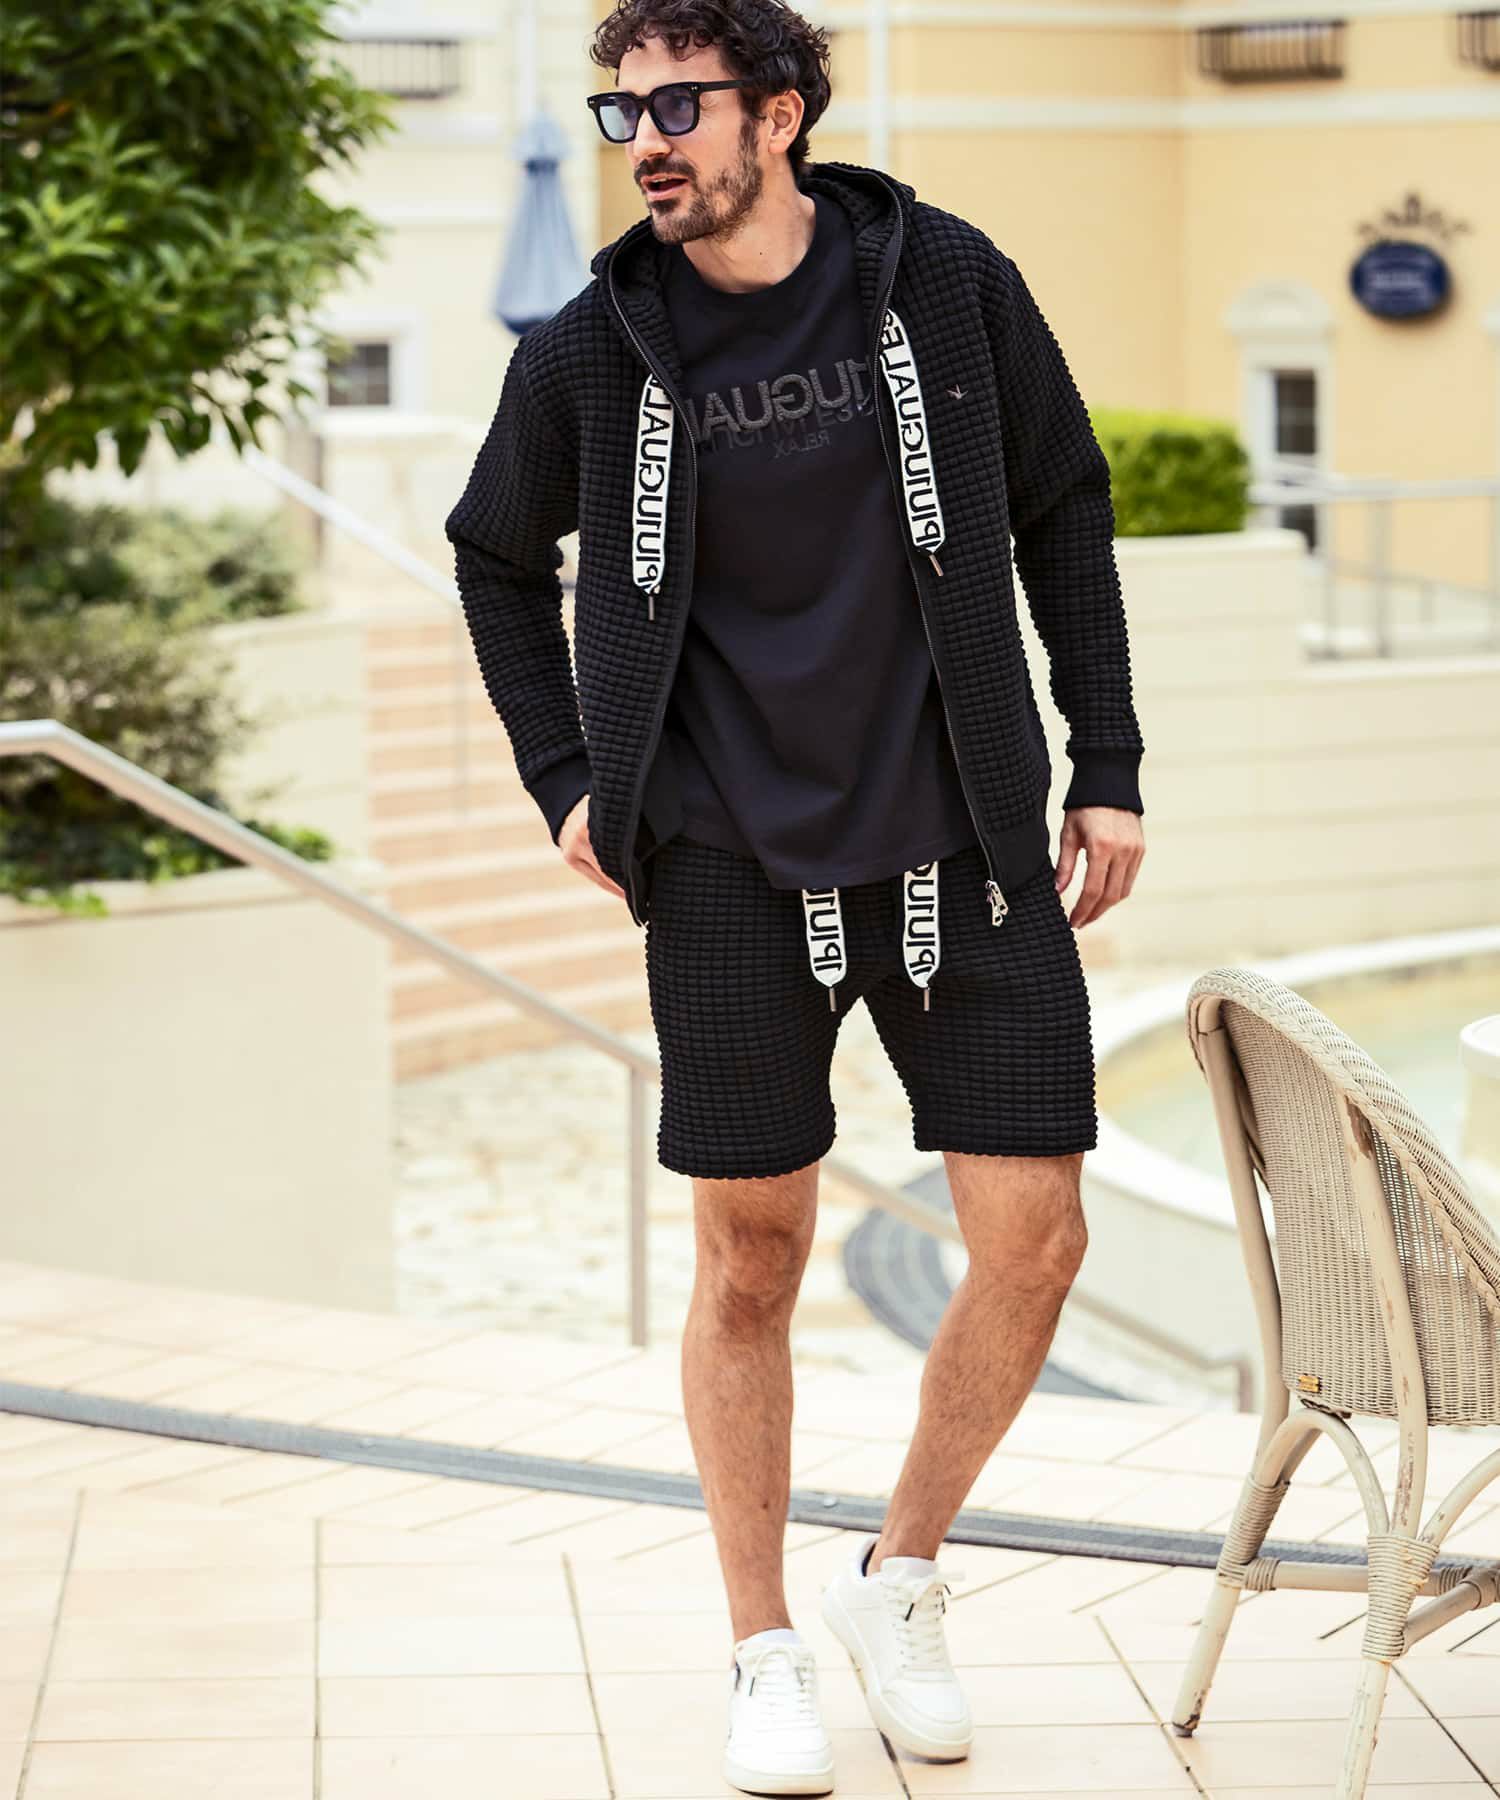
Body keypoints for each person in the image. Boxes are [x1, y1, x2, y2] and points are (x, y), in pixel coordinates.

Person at [445, 1, 1147, 1790]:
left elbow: (1064, 508)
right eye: (623, 112)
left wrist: (1109, 762)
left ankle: (896, 1580)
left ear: (781, 112)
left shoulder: (947, 284)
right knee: (750, 1257)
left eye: (678, 106)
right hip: (727, 866)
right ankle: (763, 1646)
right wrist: (566, 776)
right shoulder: (596, 348)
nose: (646, 143)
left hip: (965, 842)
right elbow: (493, 554)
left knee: (1037, 1239)